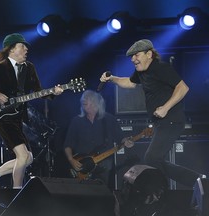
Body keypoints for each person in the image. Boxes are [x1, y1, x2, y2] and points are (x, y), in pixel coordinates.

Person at [100, 39, 206, 188]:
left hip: (171, 121)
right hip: (161, 123)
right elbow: (129, 83)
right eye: (131, 57)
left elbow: (183, 88)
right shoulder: (142, 72)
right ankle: (181, 187)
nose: (132, 59)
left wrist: (165, 107)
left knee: (151, 158)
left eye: (136, 55)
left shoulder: (161, 68)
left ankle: (198, 181)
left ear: (149, 54)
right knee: (155, 160)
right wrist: (111, 79)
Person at [0, 33, 63, 189]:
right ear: (12, 49)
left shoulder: (29, 68)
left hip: (18, 117)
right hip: (3, 117)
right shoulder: (0, 67)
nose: (26, 49)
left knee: (28, 158)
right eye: (22, 46)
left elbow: (37, 90)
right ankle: (16, 192)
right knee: (22, 156)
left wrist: (53, 92)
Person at [64, 90, 131, 190]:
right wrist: (71, 160)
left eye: (89, 101)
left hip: (104, 164)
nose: (86, 104)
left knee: (101, 193)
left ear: (97, 103)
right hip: (83, 166)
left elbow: (120, 138)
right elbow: (67, 144)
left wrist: (127, 141)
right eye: (84, 101)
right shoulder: (76, 121)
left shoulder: (109, 119)